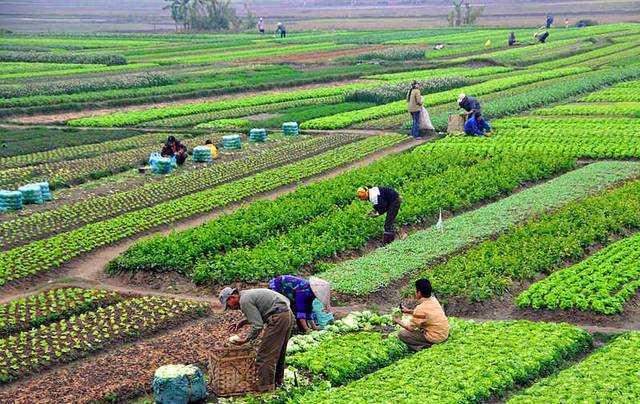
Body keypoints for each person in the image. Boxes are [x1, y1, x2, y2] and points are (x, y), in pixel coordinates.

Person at [220, 287, 294, 392]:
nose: (230, 308)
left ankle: (266, 389)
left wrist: (246, 340)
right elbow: (261, 312)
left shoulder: (244, 301)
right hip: (286, 314)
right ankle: (278, 382)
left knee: (265, 356)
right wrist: (243, 322)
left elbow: (258, 325)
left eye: (228, 305)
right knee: (279, 353)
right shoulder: (246, 294)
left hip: (278, 317)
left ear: (231, 297)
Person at [394, 278, 449, 351]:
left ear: (419, 293)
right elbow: (425, 315)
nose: (414, 293)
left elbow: (410, 328)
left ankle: (424, 346)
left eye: (415, 291)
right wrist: (409, 311)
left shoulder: (420, 308)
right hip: (444, 334)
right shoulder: (433, 299)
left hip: (435, 338)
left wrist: (398, 321)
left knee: (402, 334)